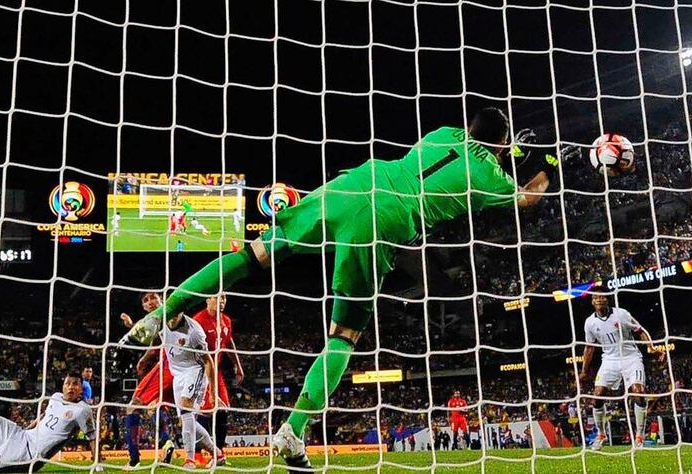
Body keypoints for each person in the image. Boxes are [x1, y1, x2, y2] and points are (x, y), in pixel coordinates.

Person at [121, 108, 552, 468]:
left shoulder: (443, 133)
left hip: (354, 184)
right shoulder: (491, 174)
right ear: (499, 145)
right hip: (387, 219)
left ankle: (163, 311)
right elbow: (528, 198)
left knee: (256, 252)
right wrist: (547, 166)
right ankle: (293, 430)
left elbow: (471, 149)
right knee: (342, 337)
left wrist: (504, 147)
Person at [580, 294, 665, 450]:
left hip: (631, 357)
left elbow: (640, 330)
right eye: (596, 297)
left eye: (602, 297)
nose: (599, 299)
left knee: (638, 392)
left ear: (608, 300)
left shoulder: (621, 314)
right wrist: (584, 371)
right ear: (592, 302)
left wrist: (651, 347)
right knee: (597, 395)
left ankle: (639, 436)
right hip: (609, 360)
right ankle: (601, 434)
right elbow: (589, 347)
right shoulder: (590, 322)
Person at [158, 311, 225, 468]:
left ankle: (190, 459)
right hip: (178, 374)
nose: (173, 316)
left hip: (196, 370)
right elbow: (144, 333)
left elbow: (208, 361)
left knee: (186, 405)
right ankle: (218, 454)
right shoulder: (160, 323)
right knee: (186, 421)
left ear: (182, 312)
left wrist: (213, 394)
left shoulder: (194, 331)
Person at [119, 292, 176, 469]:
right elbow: (157, 340)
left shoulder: (167, 312)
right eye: (146, 300)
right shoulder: (167, 316)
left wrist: (130, 325)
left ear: (161, 299)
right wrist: (145, 357)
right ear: (143, 307)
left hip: (169, 364)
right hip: (183, 368)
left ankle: (134, 459)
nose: (150, 302)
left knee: (133, 406)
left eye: (153, 298)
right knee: (153, 407)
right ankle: (168, 444)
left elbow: (155, 339)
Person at [191, 294, 245, 465]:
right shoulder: (198, 320)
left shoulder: (226, 320)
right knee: (203, 412)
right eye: (217, 298)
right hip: (199, 370)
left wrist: (238, 365)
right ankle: (198, 455)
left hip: (215, 371)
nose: (221, 301)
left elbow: (229, 343)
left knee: (222, 409)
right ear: (207, 300)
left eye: (224, 298)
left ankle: (219, 455)